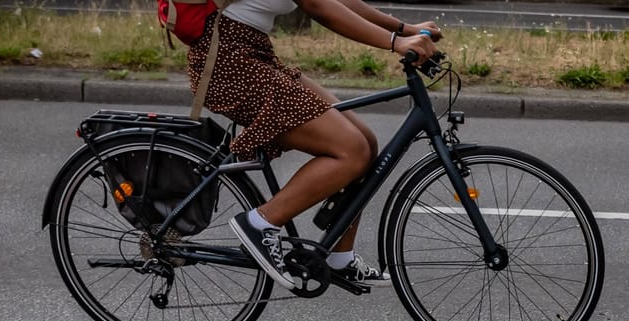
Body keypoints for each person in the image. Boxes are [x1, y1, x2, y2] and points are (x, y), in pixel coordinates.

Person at [187, 0, 441, 291]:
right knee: (351, 150)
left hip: (252, 54)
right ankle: (260, 223)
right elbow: (319, 6)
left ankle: (339, 257)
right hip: (230, 65)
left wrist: (406, 29)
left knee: (365, 144)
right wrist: (396, 42)